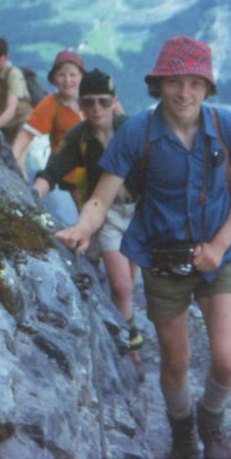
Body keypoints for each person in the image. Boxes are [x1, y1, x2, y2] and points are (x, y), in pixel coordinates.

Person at [55, 37, 231, 459]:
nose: (185, 93)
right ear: (158, 85)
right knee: (177, 361)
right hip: (164, 262)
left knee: (227, 362)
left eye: (195, 83)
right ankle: (182, 430)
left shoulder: (227, 127)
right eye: (174, 83)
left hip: (219, 260)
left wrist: (220, 246)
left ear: (207, 87)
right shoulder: (137, 133)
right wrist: (83, 228)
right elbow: (101, 197)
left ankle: (211, 419)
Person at [32, 69, 144, 356]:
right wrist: (33, 194)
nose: (96, 109)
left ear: (114, 101)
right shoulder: (78, 137)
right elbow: (53, 169)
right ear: (80, 104)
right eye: (89, 102)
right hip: (106, 215)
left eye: (103, 101)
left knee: (128, 283)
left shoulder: (132, 129)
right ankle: (133, 349)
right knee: (121, 285)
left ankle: (126, 331)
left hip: (140, 213)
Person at [12, 50, 86, 185]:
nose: (67, 80)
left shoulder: (95, 98)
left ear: (82, 76)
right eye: (61, 75)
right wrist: (14, 169)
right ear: (54, 79)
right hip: (70, 174)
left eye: (73, 75)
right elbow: (25, 136)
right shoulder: (51, 103)